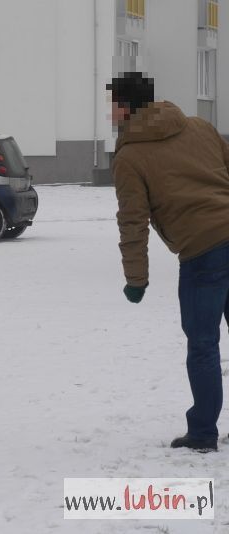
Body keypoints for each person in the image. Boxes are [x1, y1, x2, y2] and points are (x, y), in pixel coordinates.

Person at [109, 72, 229, 452]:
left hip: (203, 253)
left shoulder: (130, 156)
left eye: (112, 104)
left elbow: (133, 222)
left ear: (125, 108)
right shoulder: (199, 127)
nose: (109, 113)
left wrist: (136, 279)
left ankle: (203, 434)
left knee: (204, 344)